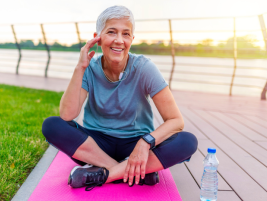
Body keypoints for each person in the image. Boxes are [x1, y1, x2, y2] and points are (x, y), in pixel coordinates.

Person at [42, 5, 198, 191]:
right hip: (96, 146)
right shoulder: (89, 68)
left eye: (126, 34)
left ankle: (103, 174)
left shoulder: (144, 68)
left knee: (187, 141)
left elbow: (176, 120)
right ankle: (133, 172)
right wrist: (80, 68)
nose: (119, 40)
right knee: (52, 125)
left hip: (136, 143)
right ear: (97, 38)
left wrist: (145, 142)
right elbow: (67, 115)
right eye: (111, 32)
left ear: (132, 39)